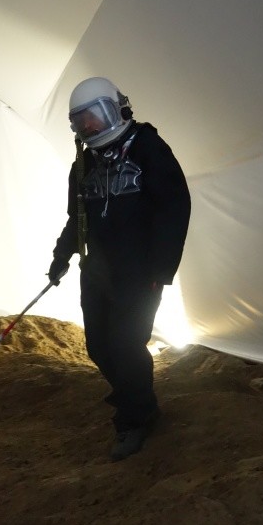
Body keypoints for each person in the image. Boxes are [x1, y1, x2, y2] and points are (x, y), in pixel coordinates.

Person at [48, 76, 191, 462]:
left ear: (117, 108)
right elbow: (76, 217)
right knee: (98, 346)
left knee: (127, 345)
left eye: (95, 115)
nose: (89, 125)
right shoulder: (83, 165)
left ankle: (135, 418)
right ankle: (136, 396)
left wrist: (160, 271)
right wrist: (61, 258)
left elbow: (175, 207)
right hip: (97, 271)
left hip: (140, 273)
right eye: (80, 120)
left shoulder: (149, 148)